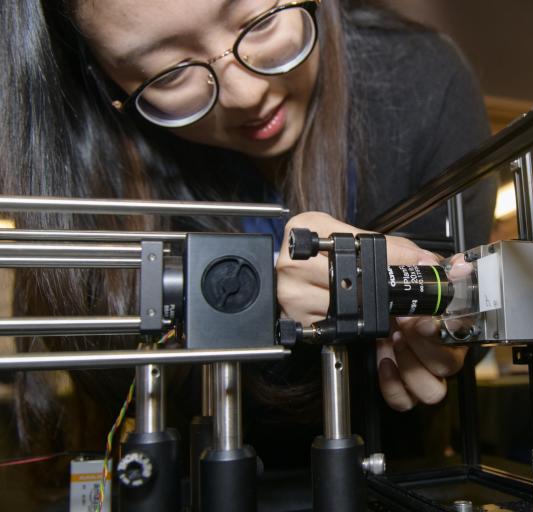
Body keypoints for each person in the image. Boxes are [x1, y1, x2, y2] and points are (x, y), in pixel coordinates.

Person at [0, 0, 497, 489]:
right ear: (105, 81)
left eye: (258, 22)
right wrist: (273, 312)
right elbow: (115, 379)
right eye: (169, 72)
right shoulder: (93, 160)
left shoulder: (425, 82)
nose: (244, 93)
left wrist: (440, 323)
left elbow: (463, 318)